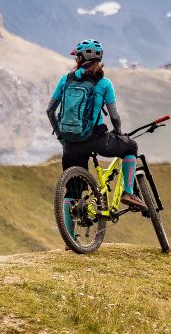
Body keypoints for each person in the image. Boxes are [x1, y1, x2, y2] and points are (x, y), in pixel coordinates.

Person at [46, 39, 146, 215]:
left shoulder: (65, 79)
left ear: (79, 58)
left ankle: (69, 240)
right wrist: (119, 133)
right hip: (97, 139)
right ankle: (129, 192)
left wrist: (62, 137)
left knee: (72, 193)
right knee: (131, 146)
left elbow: (49, 110)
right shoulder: (104, 83)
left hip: (71, 145)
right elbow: (114, 115)